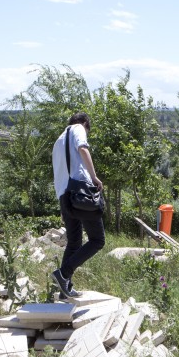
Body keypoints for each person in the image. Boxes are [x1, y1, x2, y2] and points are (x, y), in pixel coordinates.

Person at [51, 111, 105, 299]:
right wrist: (94, 177)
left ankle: (65, 291)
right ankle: (64, 274)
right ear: (84, 123)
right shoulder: (77, 128)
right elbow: (83, 148)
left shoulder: (58, 141)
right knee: (98, 240)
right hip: (80, 193)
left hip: (64, 196)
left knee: (74, 243)